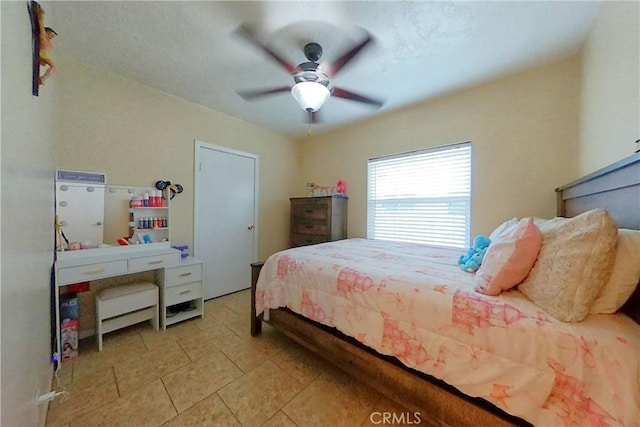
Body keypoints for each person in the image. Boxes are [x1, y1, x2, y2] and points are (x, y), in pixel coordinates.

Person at [37, 6, 57, 85]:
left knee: (53, 67)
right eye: (51, 35)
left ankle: (43, 78)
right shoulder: (43, 35)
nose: (52, 37)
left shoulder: (48, 40)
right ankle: (43, 78)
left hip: (44, 53)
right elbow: (41, 23)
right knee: (53, 67)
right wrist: (41, 15)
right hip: (43, 53)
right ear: (48, 32)